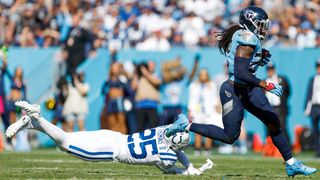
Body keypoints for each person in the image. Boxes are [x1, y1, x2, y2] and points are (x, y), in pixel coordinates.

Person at [166, 6, 317, 177]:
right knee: (230, 136)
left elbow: (245, 65)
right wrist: (265, 84)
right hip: (233, 89)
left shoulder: (248, 38)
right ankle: (186, 125)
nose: (263, 28)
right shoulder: (247, 38)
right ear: (250, 23)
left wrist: (259, 57)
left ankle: (291, 163)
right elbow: (241, 72)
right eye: (260, 24)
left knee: (273, 120)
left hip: (247, 90)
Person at [5, 101, 213, 176]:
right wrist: (187, 171)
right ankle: (37, 118)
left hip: (113, 137)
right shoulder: (167, 155)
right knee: (65, 144)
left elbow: (179, 123)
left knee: (66, 139)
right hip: (112, 152)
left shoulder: (163, 129)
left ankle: (32, 123)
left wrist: (188, 165)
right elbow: (173, 165)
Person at [188, 68, 220, 156]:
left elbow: (215, 99)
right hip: (197, 112)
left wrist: (217, 110)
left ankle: (207, 149)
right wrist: (190, 111)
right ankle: (197, 149)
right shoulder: (194, 85)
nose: (203, 77)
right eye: (201, 74)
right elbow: (191, 99)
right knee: (198, 131)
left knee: (209, 131)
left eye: (205, 74)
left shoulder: (212, 85)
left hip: (209, 112)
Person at [101, 63, 131, 134]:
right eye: (113, 67)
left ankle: (123, 138)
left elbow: (128, 91)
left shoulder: (122, 79)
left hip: (119, 102)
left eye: (116, 67)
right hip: (110, 103)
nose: (115, 69)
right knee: (112, 123)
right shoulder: (108, 80)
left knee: (121, 122)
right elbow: (103, 91)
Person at [265, 63, 291, 143]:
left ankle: (288, 147)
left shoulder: (281, 79)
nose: (270, 71)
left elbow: (288, 92)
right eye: (269, 69)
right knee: (269, 128)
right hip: (269, 108)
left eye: (271, 69)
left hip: (279, 108)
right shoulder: (265, 81)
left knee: (282, 127)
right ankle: (271, 149)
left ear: (274, 69)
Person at [305, 59, 320, 157]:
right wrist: (307, 108)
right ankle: (318, 149)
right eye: (318, 66)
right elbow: (309, 95)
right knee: (315, 129)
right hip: (314, 106)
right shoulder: (312, 79)